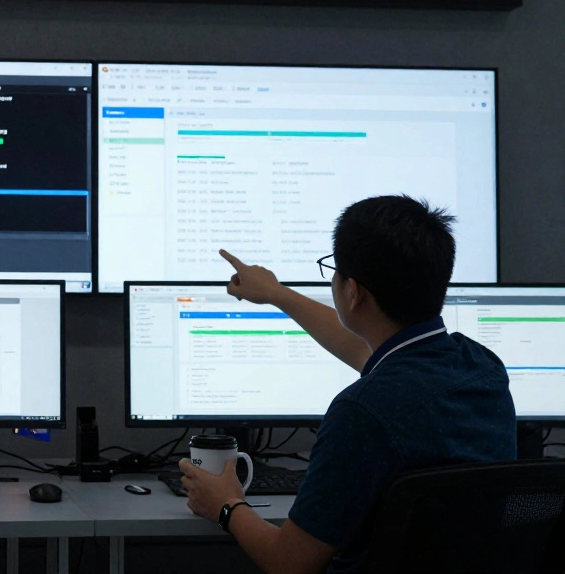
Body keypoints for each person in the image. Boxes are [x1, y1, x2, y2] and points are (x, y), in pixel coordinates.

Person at [179, 195, 515, 573]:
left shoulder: (362, 411)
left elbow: (289, 563)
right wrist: (277, 294)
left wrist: (226, 505)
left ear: (353, 292)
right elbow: (369, 350)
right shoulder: (483, 368)